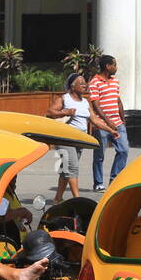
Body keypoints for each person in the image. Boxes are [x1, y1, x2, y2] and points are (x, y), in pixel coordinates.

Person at [46, 73, 114, 201]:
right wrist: (65, 112)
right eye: (81, 83)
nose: (85, 85)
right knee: (72, 167)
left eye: (85, 83)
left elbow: (95, 120)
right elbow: (49, 112)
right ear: (72, 86)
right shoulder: (64, 99)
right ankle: (77, 200)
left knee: (66, 169)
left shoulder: (85, 102)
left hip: (79, 140)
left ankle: (57, 199)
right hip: (65, 139)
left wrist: (110, 130)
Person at [87, 55, 128, 191]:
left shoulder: (115, 82)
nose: (116, 68)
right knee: (99, 155)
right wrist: (107, 121)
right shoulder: (94, 82)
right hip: (101, 125)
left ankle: (114, 180)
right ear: (107, 66)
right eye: (114, 65)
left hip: (118, 123)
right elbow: (96, 104)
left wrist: (122, 120)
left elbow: (118, 101)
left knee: (123, 150)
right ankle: (98, 183)